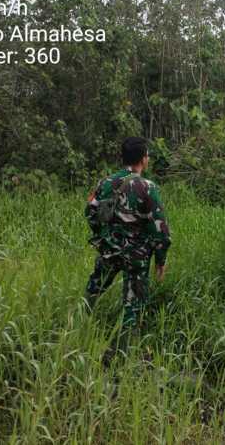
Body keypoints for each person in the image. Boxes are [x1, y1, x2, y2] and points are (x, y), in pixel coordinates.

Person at [84, 137, 171, 341]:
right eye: (147, 155)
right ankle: (126, 351)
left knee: (95, 288)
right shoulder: (147, 187)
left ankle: (77, 325)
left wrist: (103, 236)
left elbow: (90, 212)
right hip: (136, 256)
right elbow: (161, 231)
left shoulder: (105, 183)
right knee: (133, 304)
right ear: (143, 159)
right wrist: (160, 261)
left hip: (109, 249)